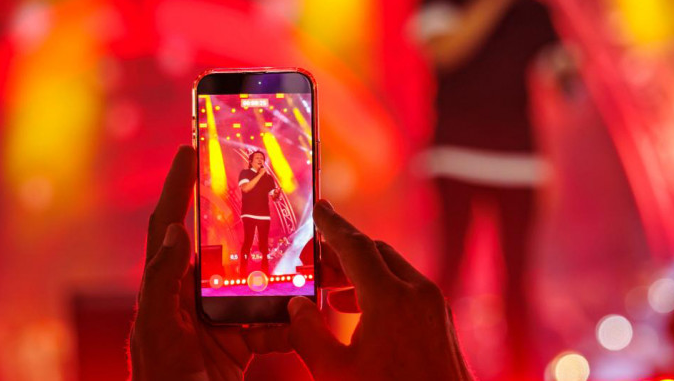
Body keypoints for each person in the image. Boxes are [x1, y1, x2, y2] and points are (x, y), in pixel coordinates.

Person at [129, 146, 475, 381]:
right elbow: (243, 187)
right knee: (248, 246)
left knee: (263, 247)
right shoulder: (245, 177)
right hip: (246, 217)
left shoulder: (266, 177)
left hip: (263, 220)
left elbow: (277, 195)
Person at [409, 0, 573, 375]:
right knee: (448, 273)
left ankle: (520, 372)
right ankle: (427, 368)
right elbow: (444, 53)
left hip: (518, 158)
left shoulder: (534, 7)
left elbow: (561, 77)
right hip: (457, 152)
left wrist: (571, 71)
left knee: (518, 283)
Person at [239, 150, 281, 275]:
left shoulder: (268, 178)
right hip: (249, 213)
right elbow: (246, 188)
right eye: (257, 158)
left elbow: (274, 197)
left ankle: (265, 271)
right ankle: (243, 272)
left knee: (264, 244)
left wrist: (276, 194)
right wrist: (259, 175)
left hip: (264, 214)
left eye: (262, 158)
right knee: (248, 241)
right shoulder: (245, 173)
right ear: (251, 161)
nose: (260, 160)